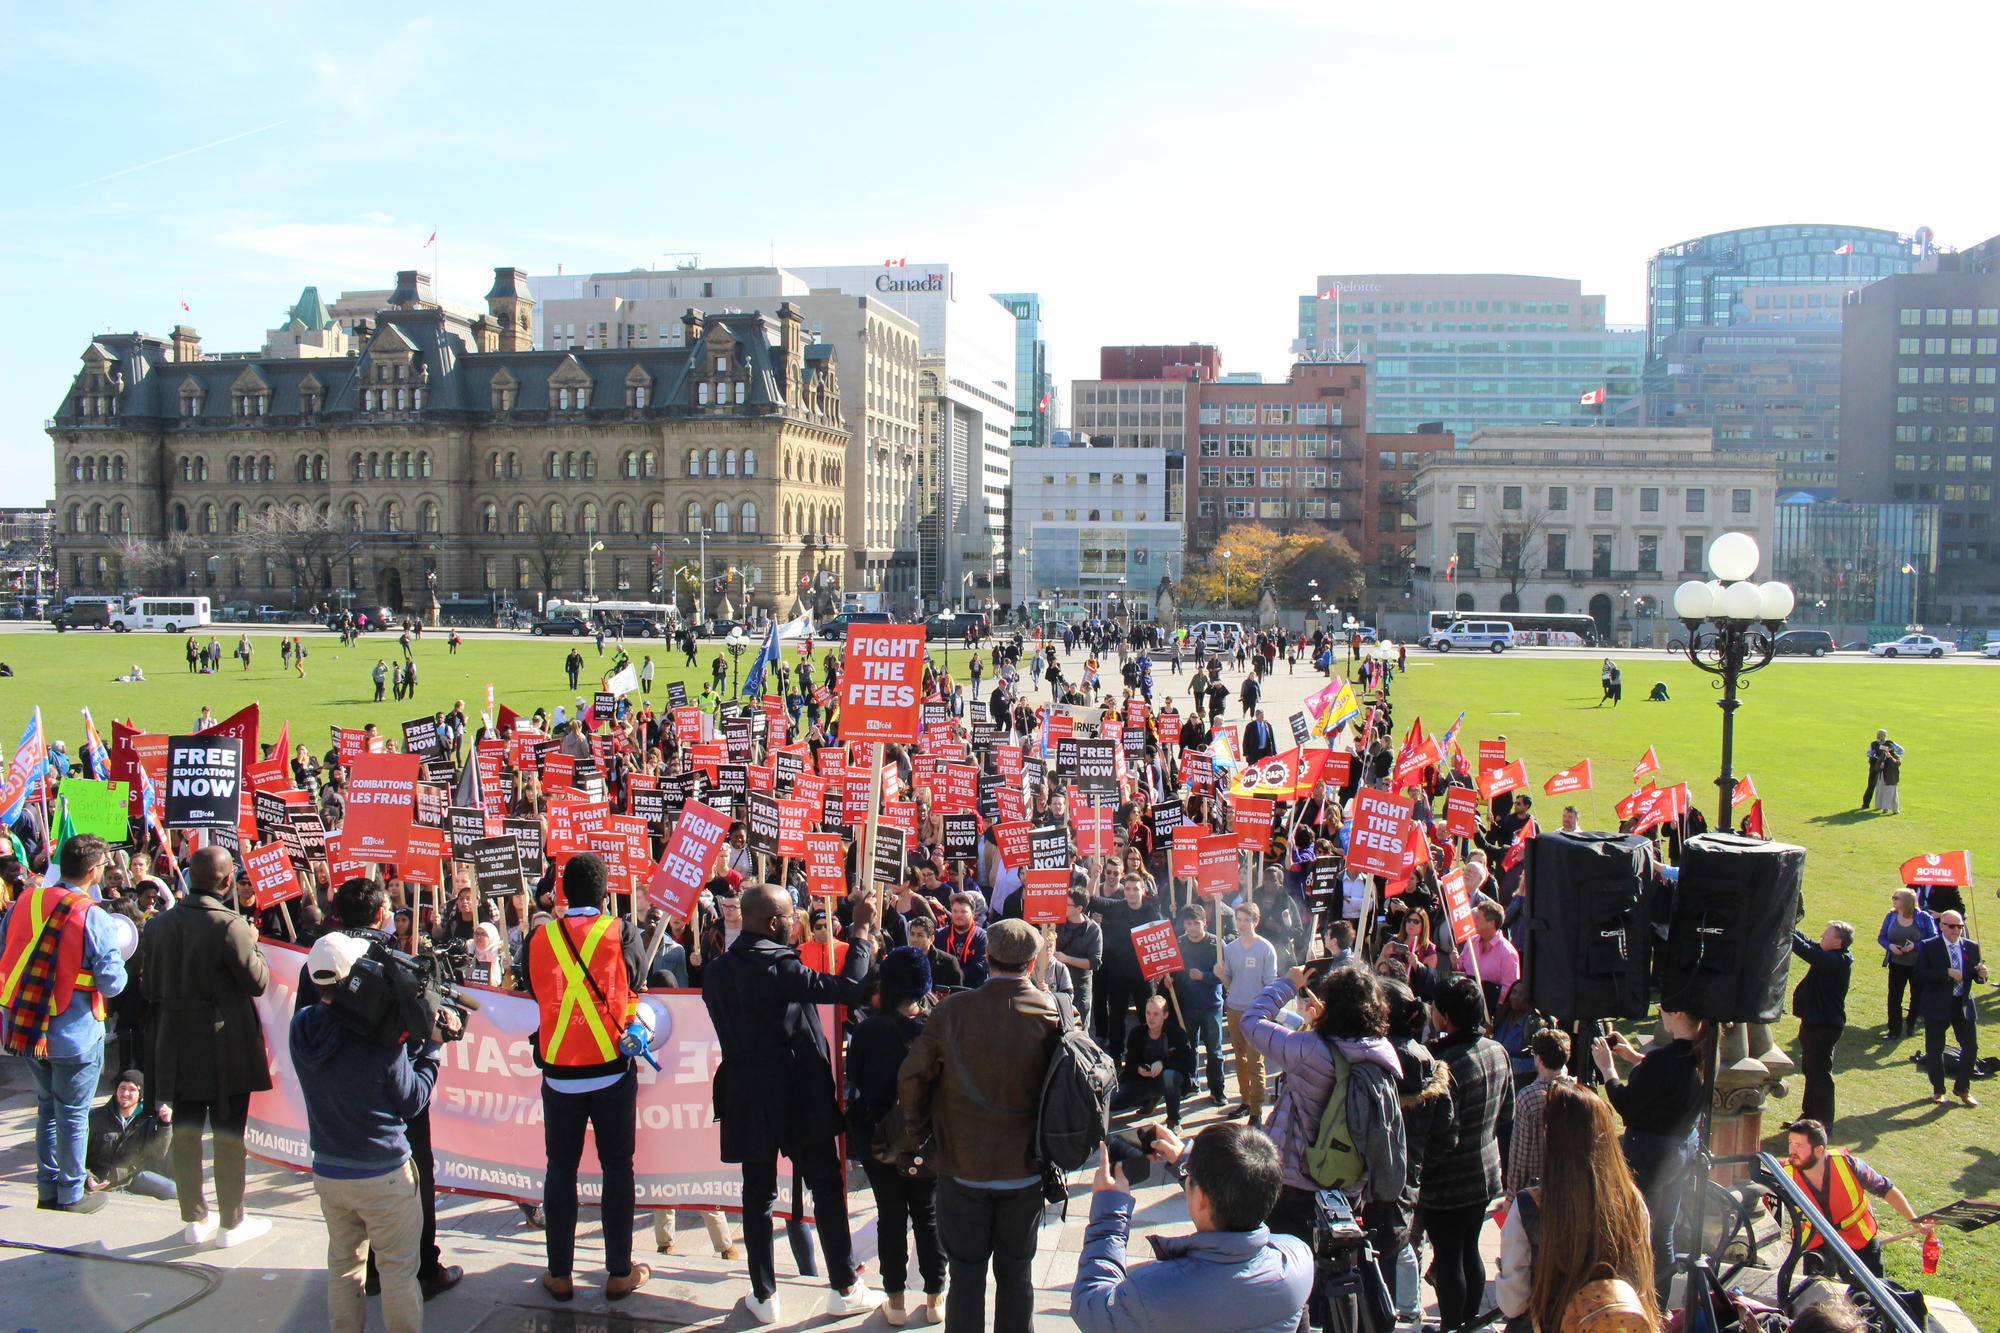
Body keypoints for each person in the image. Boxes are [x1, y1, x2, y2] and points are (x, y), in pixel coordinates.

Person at [703, 882, 881, 1323]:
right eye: (788, 917)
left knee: (757, 1193)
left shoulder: (717, 971)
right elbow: (851, 986)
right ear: (772, 922)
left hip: (746, 1092)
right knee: (825, 1186)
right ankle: (844, 1286)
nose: (794, 924)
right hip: (798, 1092)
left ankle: (763, 1296)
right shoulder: (778, 966)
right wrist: (859, 932)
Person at [295, 877, 462, 1300]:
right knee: (413, 1177)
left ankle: (368, 1271)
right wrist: (432, 1048)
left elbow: (306, 1022)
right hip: (390, 1092)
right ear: (380, 914)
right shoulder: (391, 961)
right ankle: (421, 1268)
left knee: (348, 1231)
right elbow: (419, 1029)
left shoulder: (313, 961)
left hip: (331, 1102)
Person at [899, 918, 1064, 1333]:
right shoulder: (1053, 1011)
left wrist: (921, 1136)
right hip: (1023, 1168)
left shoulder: (953, 1010)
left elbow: (912, 1077)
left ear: (986, 958)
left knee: (966, 1275)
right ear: (1032, 963)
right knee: (1016, 1274)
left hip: (963, 1165)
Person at [520, 853, 653, 1302]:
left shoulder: (538, 937)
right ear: (604, 892)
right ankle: (619, 1271)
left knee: (560, 1168)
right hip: (612, 1067)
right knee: (618, 1167)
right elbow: (637, 978)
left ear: (562, 893)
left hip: (558, 1070)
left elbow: (533, 987)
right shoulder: (621, 931)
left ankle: (559, 1273)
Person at [1243, 964, 1406, 1326]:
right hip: (1345, 1188)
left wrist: (1289, 983)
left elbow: (1251, 1021)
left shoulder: (1307, 1048)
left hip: (1296, 1183)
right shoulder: (1382, 1055)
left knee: (1291, 1282)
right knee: (1337, 1281)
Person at [135, 844, 272, 1247]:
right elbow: (258, 982)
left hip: (174, 1042)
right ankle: (231, 1221)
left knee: (186, 1131)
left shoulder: (158, 925)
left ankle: (194, 1218)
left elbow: (146, 986)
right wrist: (254, 941)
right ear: (227, 881)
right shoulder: (230, 925)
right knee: (229, 1134)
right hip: (222, 1043)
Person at [1071, 1122, 1312, 1333]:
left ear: (1204, 1198)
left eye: (1190, 1179)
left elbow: (1090, 1306)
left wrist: (1110, 1212)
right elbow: (1247, 1199)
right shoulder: (1298, 1261)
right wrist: (1188, 1163)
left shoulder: (1155, 1289)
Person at [0, 833, 127, 1214]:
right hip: (74, 1032)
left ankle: (46, 1187)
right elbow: (112, 982)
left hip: (25, 1026)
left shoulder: (25, 901)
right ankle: (71, 1192)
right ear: (92, 872)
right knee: (72, 1113)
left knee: (47, 1108)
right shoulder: (93, 915)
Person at [1496, 1082, 1659, 1333]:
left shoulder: (1530, 1206)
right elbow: (1640, 1281)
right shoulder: (1631, 1201)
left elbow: (1513, 1304)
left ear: (1552, 1136)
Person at [846, 946, 945, 1326]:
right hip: (928, 1140)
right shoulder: (937, 1030)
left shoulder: (869, 1030)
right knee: (927, 1214)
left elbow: (856, 1077)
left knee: (890, 1216)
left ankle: (896, 1300)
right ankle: (936, 1297)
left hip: (879, 1139)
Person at [1592, 1010, 1709, 1295]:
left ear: (1679, 1014)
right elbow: (1671, 1076)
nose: (1660, 1014)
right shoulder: (1705, 1052)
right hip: (1681, 1153)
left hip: (1649, 1156)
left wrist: (1608, 1069)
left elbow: (1627, 1104)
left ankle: (1633, 1302)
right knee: (1663, 1235)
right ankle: (1661, 1307)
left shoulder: (1664, 1059)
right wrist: (1634, 1057)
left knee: (1633, 1231)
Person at [1424, 971, 1511, 1331]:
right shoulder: (1497, 1050)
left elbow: (1441, 1132)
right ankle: (1470, 1323)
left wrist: (1423, 1168)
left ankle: (1452, 1326)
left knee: (1448, 1255)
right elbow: (1508, 1114)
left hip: (1449, 1178)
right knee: (1469, 1248)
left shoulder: (1443, 1063)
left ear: (1444, 1015)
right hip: (1485, 1168)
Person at [1779, 1119, 1933, 1279]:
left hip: (1857, 1235)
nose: (1792, 1150)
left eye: (1799, 1145)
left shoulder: (1849, 1164)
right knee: (1814, 1293)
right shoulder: (1783, 1172)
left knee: (1877, 1290)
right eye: (1791, 1143)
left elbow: (1887, 1189)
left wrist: (1916, 1221)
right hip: (1816, 1239)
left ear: (1819, 1150)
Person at [1914, 910, 1985, 1106]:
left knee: (1971, 1047)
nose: (1956, 930)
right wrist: (1946, 973)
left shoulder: (1971, 946)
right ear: (1942, 926)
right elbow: (1919, 974)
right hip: (1937, 1004)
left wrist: (1981, 975)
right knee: (1934, 1049)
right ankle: (1938, 1090)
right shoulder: (1930, 946)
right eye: (1952, 926)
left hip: (1962, 1004)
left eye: (1960, 926)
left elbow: (1976, 977)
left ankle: (1962, 1088)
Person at [1790, 921, 1854, 1127]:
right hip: (1814, 1021)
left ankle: (1824, 1123)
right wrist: (1789, 924)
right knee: (1811, 1070)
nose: (1821, 936)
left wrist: (1782, 928)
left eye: (1826, 934)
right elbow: (1808, 943)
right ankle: (1808, 1116)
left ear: (1837, 941)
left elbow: (1806, 950)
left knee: (1820, 1075)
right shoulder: (1830, 955)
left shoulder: (1837, 961)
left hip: (1824, 1025)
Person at [1222, 900, 1280, 1121]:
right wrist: (1221, 975)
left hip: (1256, 1012)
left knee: (1256, 1061)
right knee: (1240, 1058)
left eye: (1247, 920)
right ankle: (1245, 1100)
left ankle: (1256, 1110)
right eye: (1239, 919)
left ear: (1256, 921)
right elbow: (1229, 981)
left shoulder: (1265, 948)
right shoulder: (1232, 948)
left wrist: (1267, 1011)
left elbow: (1270, 983)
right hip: (1234, 1008)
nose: (1242, 924)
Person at [86, 1067, 176, 1199]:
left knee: (172, 1190)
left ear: (140, 1095)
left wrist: (165, 1124)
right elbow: (79, 1155)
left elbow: (158, 1153)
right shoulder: (96, 1117)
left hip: (132, 1178)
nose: (125, 1093)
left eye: (132, 1089)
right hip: (100, 1178)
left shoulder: (148, 1119)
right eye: (122, 1088)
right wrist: (88, 1178)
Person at [1506, 1028, 1574, 1199]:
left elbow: (1520, 1154)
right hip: (1569, 1182)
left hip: (1536, 1187)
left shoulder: (1528, 1097)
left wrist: (1512, 1195)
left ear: (1538, 1058)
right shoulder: (1577, 1090)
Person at [1110, 995, 1193, 1129]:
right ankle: (1150, 1100)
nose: (1151, 1018)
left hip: (1169, 1079)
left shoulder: (1176, 1033)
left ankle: (1174, 1121)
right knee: (1113, 1102)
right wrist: (1139, 1069)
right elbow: (1129, 1066)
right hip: (1143, 1081)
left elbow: (1186, 1064)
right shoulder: (1137, 1033)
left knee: (1170, 1076)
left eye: (1156, 1014)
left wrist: (1163, 1064)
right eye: (1148, 1013)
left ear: (1165, 1015)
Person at [1171, 905, 1226, 1105]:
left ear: (1204, 922)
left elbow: (1224, 976)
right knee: (1189, 1047)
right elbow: (1174, 969)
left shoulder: (1215, 944)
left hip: (1211, 1004)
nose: (1192, 928)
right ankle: (1191, 1083)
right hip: (1188, 1005)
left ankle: (1217, 1089)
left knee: (1214, 1050)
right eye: (1188, 924)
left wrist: (1205, 976)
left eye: (1196, 923)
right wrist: (1170, 978)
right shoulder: (1180, 943)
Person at [1878, 887, 1937, 1040]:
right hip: (1896, 963)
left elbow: (1933, 939)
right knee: (1894, 997)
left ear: (1907, 901)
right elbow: (1882, 937)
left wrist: (1915, 946)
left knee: (1916, 996)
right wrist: (1890, 946)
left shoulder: (1923, 917)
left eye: (1896, 897)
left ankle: (1911, 1023)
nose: (1893, 900)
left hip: (1917, 965)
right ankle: (1894, 1030)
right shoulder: (1891, 916)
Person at [1861, 729, 1901, 811]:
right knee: (1871, 785)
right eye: (1877, 734)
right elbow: (1868, 753)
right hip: (1875, 766)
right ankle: (1865, 804)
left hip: (1886, 768)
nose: (1878, 736)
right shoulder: (1873, 744)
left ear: (1884, 736)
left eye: (1880, 734)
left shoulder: (1890, 743)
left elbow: (1901, 750)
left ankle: (1884, 806)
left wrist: (1891, 755)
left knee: (1884, 787)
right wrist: (1873, 756)